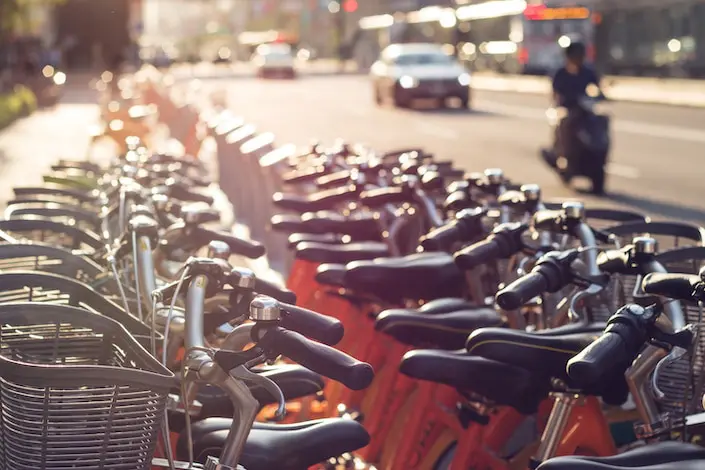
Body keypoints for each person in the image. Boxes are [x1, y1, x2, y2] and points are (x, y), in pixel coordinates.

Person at [547, 41, 601, 171]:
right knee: (565, 123)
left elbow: (596, 88)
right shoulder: (560, 73)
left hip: (585, 110)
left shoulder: (588, 72)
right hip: (567, 109)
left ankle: (598, 154)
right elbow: (555, 94)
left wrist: (599, 96)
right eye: (575, 55)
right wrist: (562, 100)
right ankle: (562, 155)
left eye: (580, 55)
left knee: (601, 121)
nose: (578, 58)